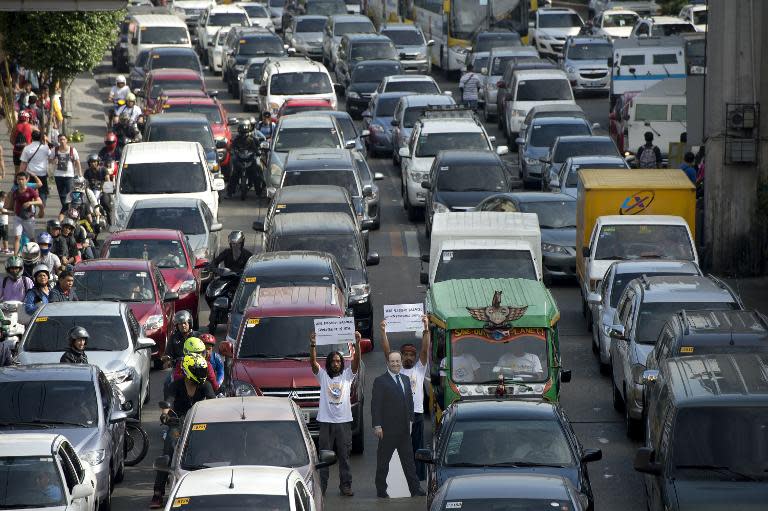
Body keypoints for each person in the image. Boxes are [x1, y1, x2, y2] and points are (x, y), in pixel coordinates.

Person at [151, 353, 215, 508]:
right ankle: (158, 493)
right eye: (197, 370)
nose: (201, 374)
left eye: (202, 370)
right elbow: (167, 404)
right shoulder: (175, 385)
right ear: (187, 371)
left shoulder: (205, 385)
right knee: (169, 450)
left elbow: (213, 402)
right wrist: (165, 416)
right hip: (178, 424)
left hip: (201, 425)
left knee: (213, 451)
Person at [309, 329, 362, 497]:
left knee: (344, 456)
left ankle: (345, 486)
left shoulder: (348, 376)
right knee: (324, 457)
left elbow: (356, 363)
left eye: (338, 361)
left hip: (343, 422)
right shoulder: (323, 376)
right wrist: (313, 345)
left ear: (342, 363)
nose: (336, 363)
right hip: (325, 422)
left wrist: (357, 344)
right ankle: (321, 488)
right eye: (333, 361)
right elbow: (312, 364)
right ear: (329, 363)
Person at [379, 315, 430, 481]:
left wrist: (426, 327)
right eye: (405, 354)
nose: (408, 357)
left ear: (415, 358)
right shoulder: (396, 370)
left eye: (411, 355)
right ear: (400, 357)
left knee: (417, 448)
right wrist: (383, 331)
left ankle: (417, 477)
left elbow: (424, 349)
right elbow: (387, 352)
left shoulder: (419, 370)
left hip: (417, 414)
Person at [371, 351, 425, 498]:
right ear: (387, 363)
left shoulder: (406, 379)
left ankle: (415, 489)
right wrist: (377, 425)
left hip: (404, 430)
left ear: (401, 362)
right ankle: (381, 490)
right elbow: (375, 405)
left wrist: (411, 421)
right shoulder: (380, 381)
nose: (395, 364)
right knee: (383, 462)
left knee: (409, 461)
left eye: (397, 361)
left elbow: (409, 402)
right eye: (392, 361)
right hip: (387, 430)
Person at [5, 172, 43, 254]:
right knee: (17, 237)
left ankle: (36, 253)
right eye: (19, 179)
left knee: (32, 238)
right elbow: (11, 206)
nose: (20, 181)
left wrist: (30, 203)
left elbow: (40, 202)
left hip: (28, 218)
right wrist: (7, 210)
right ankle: (16, 256)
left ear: (27, 180)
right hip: (18, 218)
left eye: (22, 179)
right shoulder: (15, 191)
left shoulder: (31, 190)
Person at [50, 133, 82, 208]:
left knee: (70, 193)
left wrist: (80, 173)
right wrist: (54, 160)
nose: (62, 141)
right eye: (60, 139)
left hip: (69, 175)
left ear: (66, 140)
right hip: (58, 175)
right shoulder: (55, 150)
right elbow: (50, 160)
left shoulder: (72, 150)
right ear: (58, 140)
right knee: (61, 194)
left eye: (63, 139)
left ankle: (70, 208)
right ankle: (65, 208)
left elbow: (77, 161)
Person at [19, 130, 51, 203]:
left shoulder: (27, 148)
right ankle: (42, 205)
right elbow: (51, 154)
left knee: (30, 191)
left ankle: (31, 207)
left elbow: (23, 163)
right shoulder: (45, 147)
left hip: (30, 174)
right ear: (40, 138)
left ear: (31, 137)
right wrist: (46, 141)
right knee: (43, 192)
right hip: (42, 174)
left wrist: (20, 174)